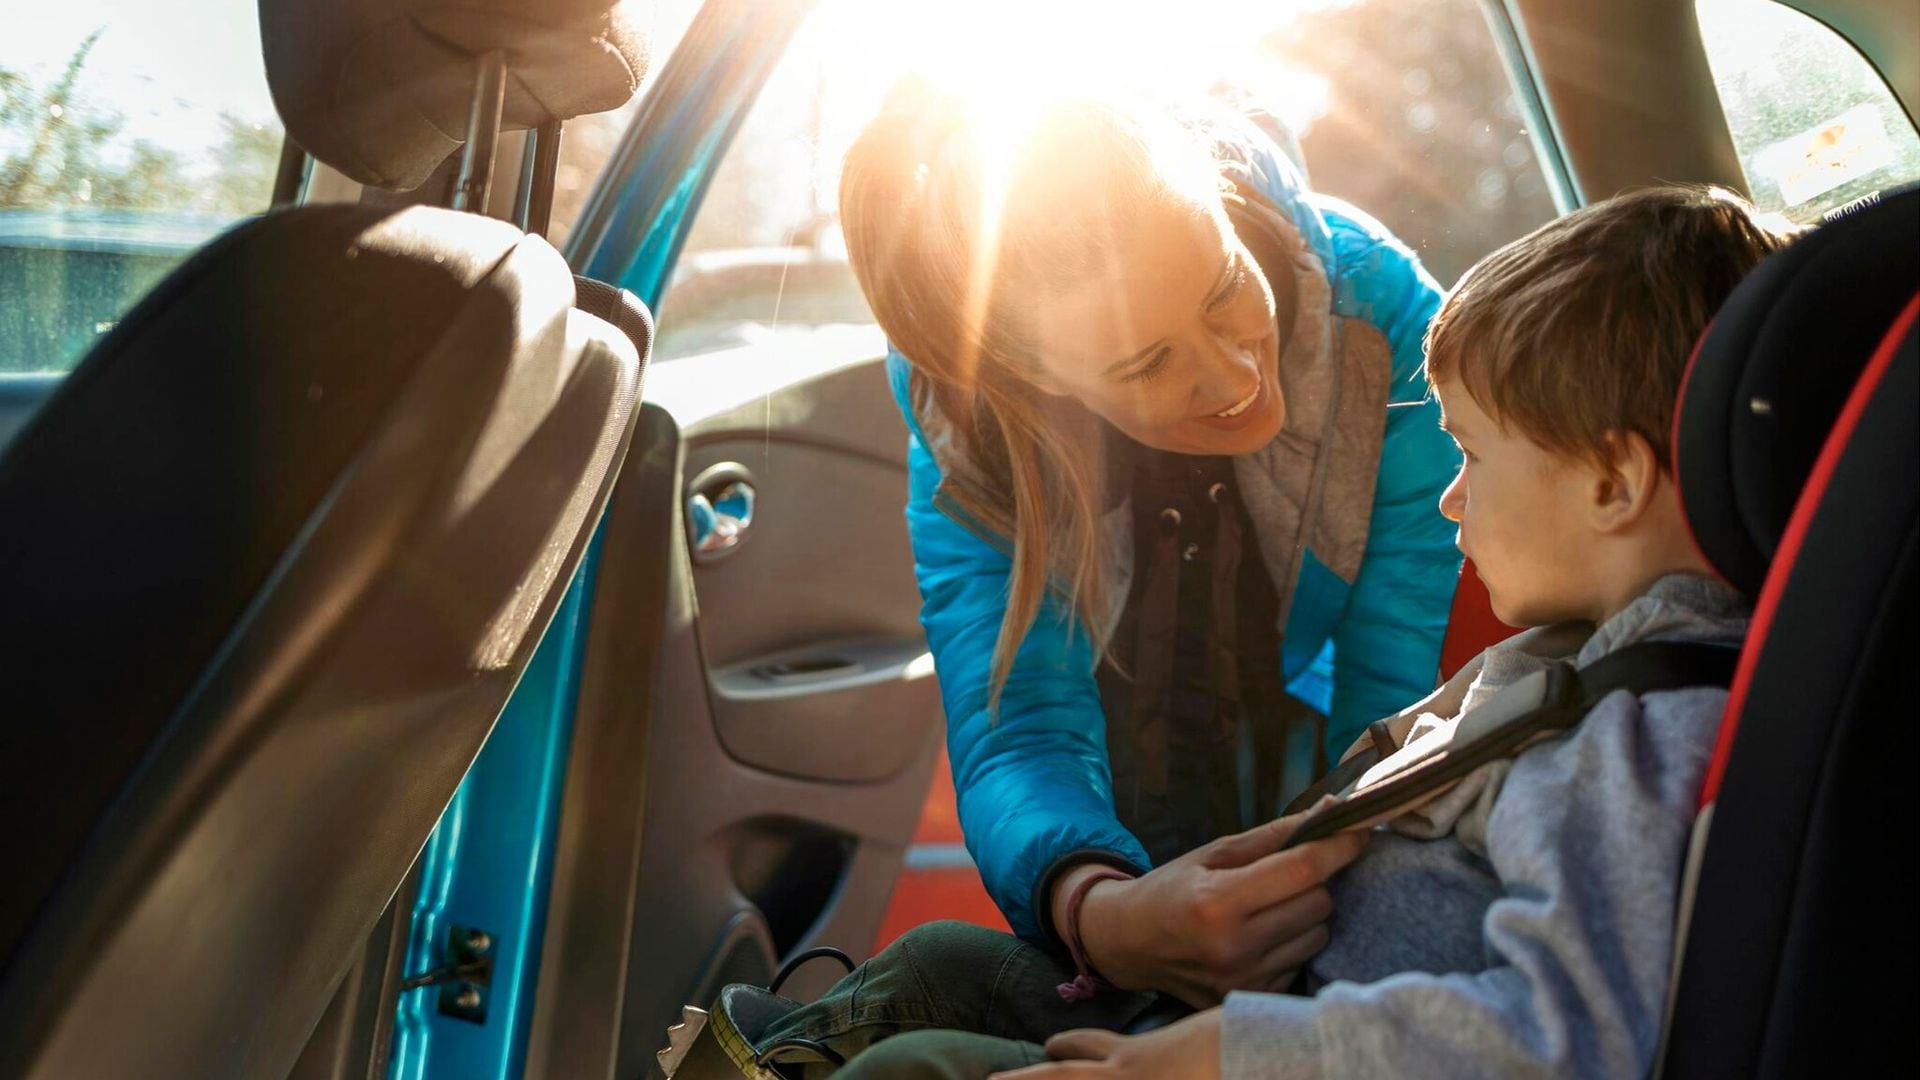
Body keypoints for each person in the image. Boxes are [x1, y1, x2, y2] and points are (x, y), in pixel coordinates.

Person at [681, 184, 1787, 1080]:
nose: (1453, 499)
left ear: (1612, 481)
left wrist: (1223, 1051)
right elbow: (1017, 719)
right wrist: (1119, 921)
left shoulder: (1636, 733)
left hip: (1301, 1033)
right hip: (1296, 1001)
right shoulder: (1578, 664)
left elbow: (1571, 1038)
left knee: (913, 1066)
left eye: (1472, 458)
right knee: (939, 963)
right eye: (1143, 362)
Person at [844, 78, 1465, 1005]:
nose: (1235, 372)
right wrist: (1096, 910)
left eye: (1223, 290)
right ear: (1033, 374)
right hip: (1113, 777)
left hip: (1300, 741)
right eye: (1145, 362)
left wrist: (1333, 913)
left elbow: (1397, 682)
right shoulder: (972, 429)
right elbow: (1017, 718)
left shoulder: (1382, 323)